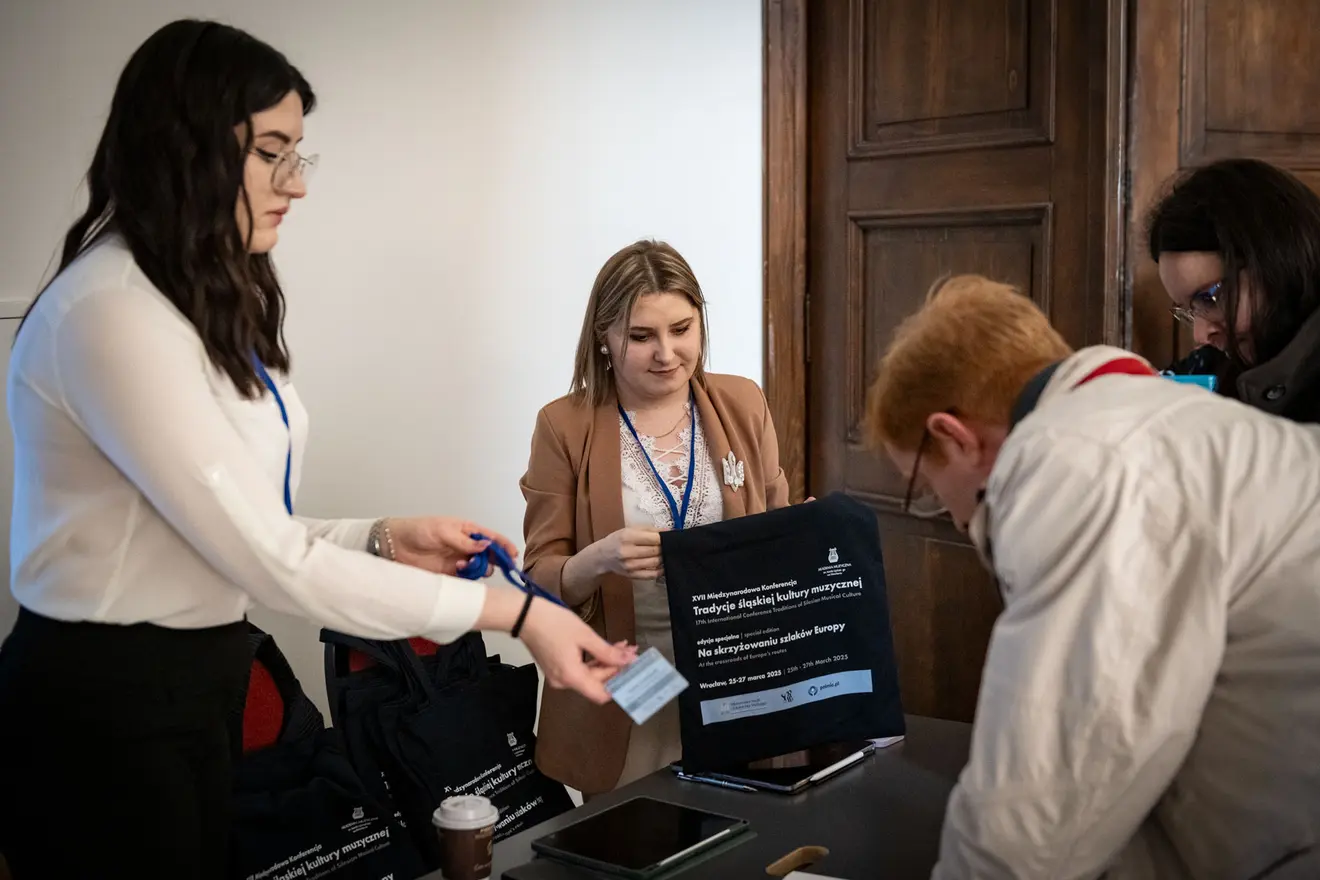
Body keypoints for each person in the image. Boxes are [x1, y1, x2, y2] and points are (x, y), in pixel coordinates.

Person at [0, 19, 632, 879]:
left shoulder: (185, 299)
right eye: (271, 153)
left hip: (194, 684)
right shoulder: (109, 314)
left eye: (299, 155)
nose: (295, 184)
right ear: (184, 146)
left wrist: (382, 538)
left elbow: (238, 527)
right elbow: (271, 560)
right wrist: (516, 614)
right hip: (105, 707)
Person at [864, 274, 1320, 879]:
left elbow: (1046, 795)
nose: (949, 513)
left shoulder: (1084, 464)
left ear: (953, 434)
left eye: (926, 486)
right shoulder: (1164, 421)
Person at [519, 239, 791, 795]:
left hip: (732, 667)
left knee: (738, 824)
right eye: (641, 336)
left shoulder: (743, 402)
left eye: (681, 329)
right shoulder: (563, 425)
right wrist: (596, 559)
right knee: (635, 830)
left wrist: (804, 537)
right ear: (604, 337)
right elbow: (538, 577)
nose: (666, 353)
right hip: (629, 678)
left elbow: (777, 527)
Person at [1146, 157, 1320, 421]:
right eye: (1189, 311)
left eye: (1210, 298)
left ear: (1276, 262)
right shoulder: (1212, 366)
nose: (1200, 335)